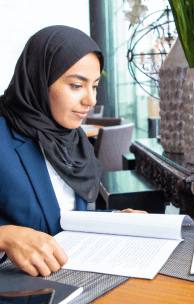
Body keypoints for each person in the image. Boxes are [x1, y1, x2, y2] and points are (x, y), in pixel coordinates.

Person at [0, 25, 142, 277]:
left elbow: (63, 217)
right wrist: (5, 236)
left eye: (95, 85)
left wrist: (113, 220)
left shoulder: (73, 138)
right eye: (77, 85)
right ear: (39, 80)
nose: (91, 100)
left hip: (69, 277)